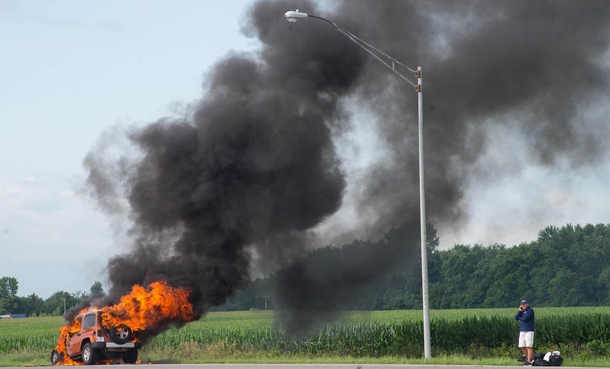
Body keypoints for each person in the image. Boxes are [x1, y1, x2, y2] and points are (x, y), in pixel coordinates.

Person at [515, 299, 535, 366]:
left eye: (525, 304)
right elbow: (516, 317)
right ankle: (529, 358)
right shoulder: (522, 312)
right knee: (521, 345)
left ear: (527, 304)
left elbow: (525, 319)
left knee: (529, 345)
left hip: (529, 330)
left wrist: (520, 318)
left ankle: (529, 361)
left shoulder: (530, 311)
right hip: (522, 330)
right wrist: (519, 312)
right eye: (522, 304)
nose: (523, 305)